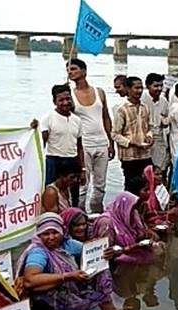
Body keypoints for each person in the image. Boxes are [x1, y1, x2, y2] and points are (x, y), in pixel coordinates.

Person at [16, 212, 113, 310]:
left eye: (55, 232)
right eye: (46, 234)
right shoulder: (38, 252)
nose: (51, 237)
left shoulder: (67, 244)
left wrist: (108, 252)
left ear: (62, 232)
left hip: (67, 290)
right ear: (39, 235)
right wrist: (67, 276)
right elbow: (29, 281)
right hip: (46, 300)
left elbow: (92, 251)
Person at [68, 59, 114, 213]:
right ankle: (81, 216)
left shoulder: (99, 91)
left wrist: (111, 142)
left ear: (84, 71)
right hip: (84, 144)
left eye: (74, 69)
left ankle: (97, 214)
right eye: (68, 69)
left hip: (102, 143)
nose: (70, 72)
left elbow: (106, 116)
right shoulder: (70, 95)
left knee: (100, 185)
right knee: (83, 185)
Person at [92, 191, 162, 265]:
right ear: (123, 207)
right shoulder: (107, 223)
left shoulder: (132, 216)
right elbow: (105, 253)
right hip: (118, 258)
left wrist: (147, 237)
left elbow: (141, 234)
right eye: (131, 209)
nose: (133, 212)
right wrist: (128, 249)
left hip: (131, 250)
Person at [112, 76, 154, 190]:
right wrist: (132, 143)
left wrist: (150, 136)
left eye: (141, 88)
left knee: (148, 183)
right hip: (129, 156)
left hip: (145, 154)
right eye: (136, 88)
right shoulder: (121, 109)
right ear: (128, 89)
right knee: (131, 185)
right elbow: (115, 134)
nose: (139, 91)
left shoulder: (145, 107)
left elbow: (149, 127)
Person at [41, 84, 85, 187]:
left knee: (74, 197)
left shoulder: (77, 120)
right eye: (61, 100)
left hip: (72, 161)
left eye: (68, 99)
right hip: (53, 161)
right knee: (51, 191)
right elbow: (41, 143)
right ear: (54, 101)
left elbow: (79, 146)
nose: (65, 103)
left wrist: (82, 169)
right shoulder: (48, 118)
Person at [141, 73, 171, 176]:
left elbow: (167, 118)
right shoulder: (142, 99)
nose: (159, 89)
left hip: (159, 137)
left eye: (161, 86)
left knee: (160, 170)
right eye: (155, 86)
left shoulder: (164, 101)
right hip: (144, 137)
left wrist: (165, 121)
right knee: (145, 171)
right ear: (148, 86)